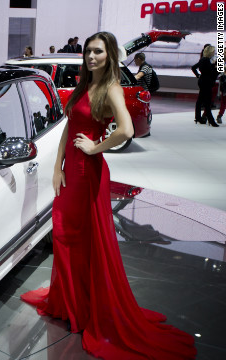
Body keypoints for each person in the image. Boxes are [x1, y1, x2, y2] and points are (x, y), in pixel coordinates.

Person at [21, 31, 197, 359]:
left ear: (109, 55)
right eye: (88, 51)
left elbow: (127, 130)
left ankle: (86, 310)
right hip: (71, 173)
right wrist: (58, 166)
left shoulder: (111, 88)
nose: (91, 56)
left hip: (89, 175)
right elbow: (68, 128)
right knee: (64, 237)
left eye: (98, 52)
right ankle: (70, 303)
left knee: (87, 243)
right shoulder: (84, 86)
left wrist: (96, 147)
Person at [191, 45, 218, 127]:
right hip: (206, 82)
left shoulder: (203, 59)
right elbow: (211, 73)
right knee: (207, 102)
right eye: (213, 51)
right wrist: (216, 69)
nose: (214, 53)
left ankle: (198, 118)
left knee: (200, 100)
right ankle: (211, 120)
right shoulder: (206, 60)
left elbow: (193, 67)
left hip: (202, 81)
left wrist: (198, 75)